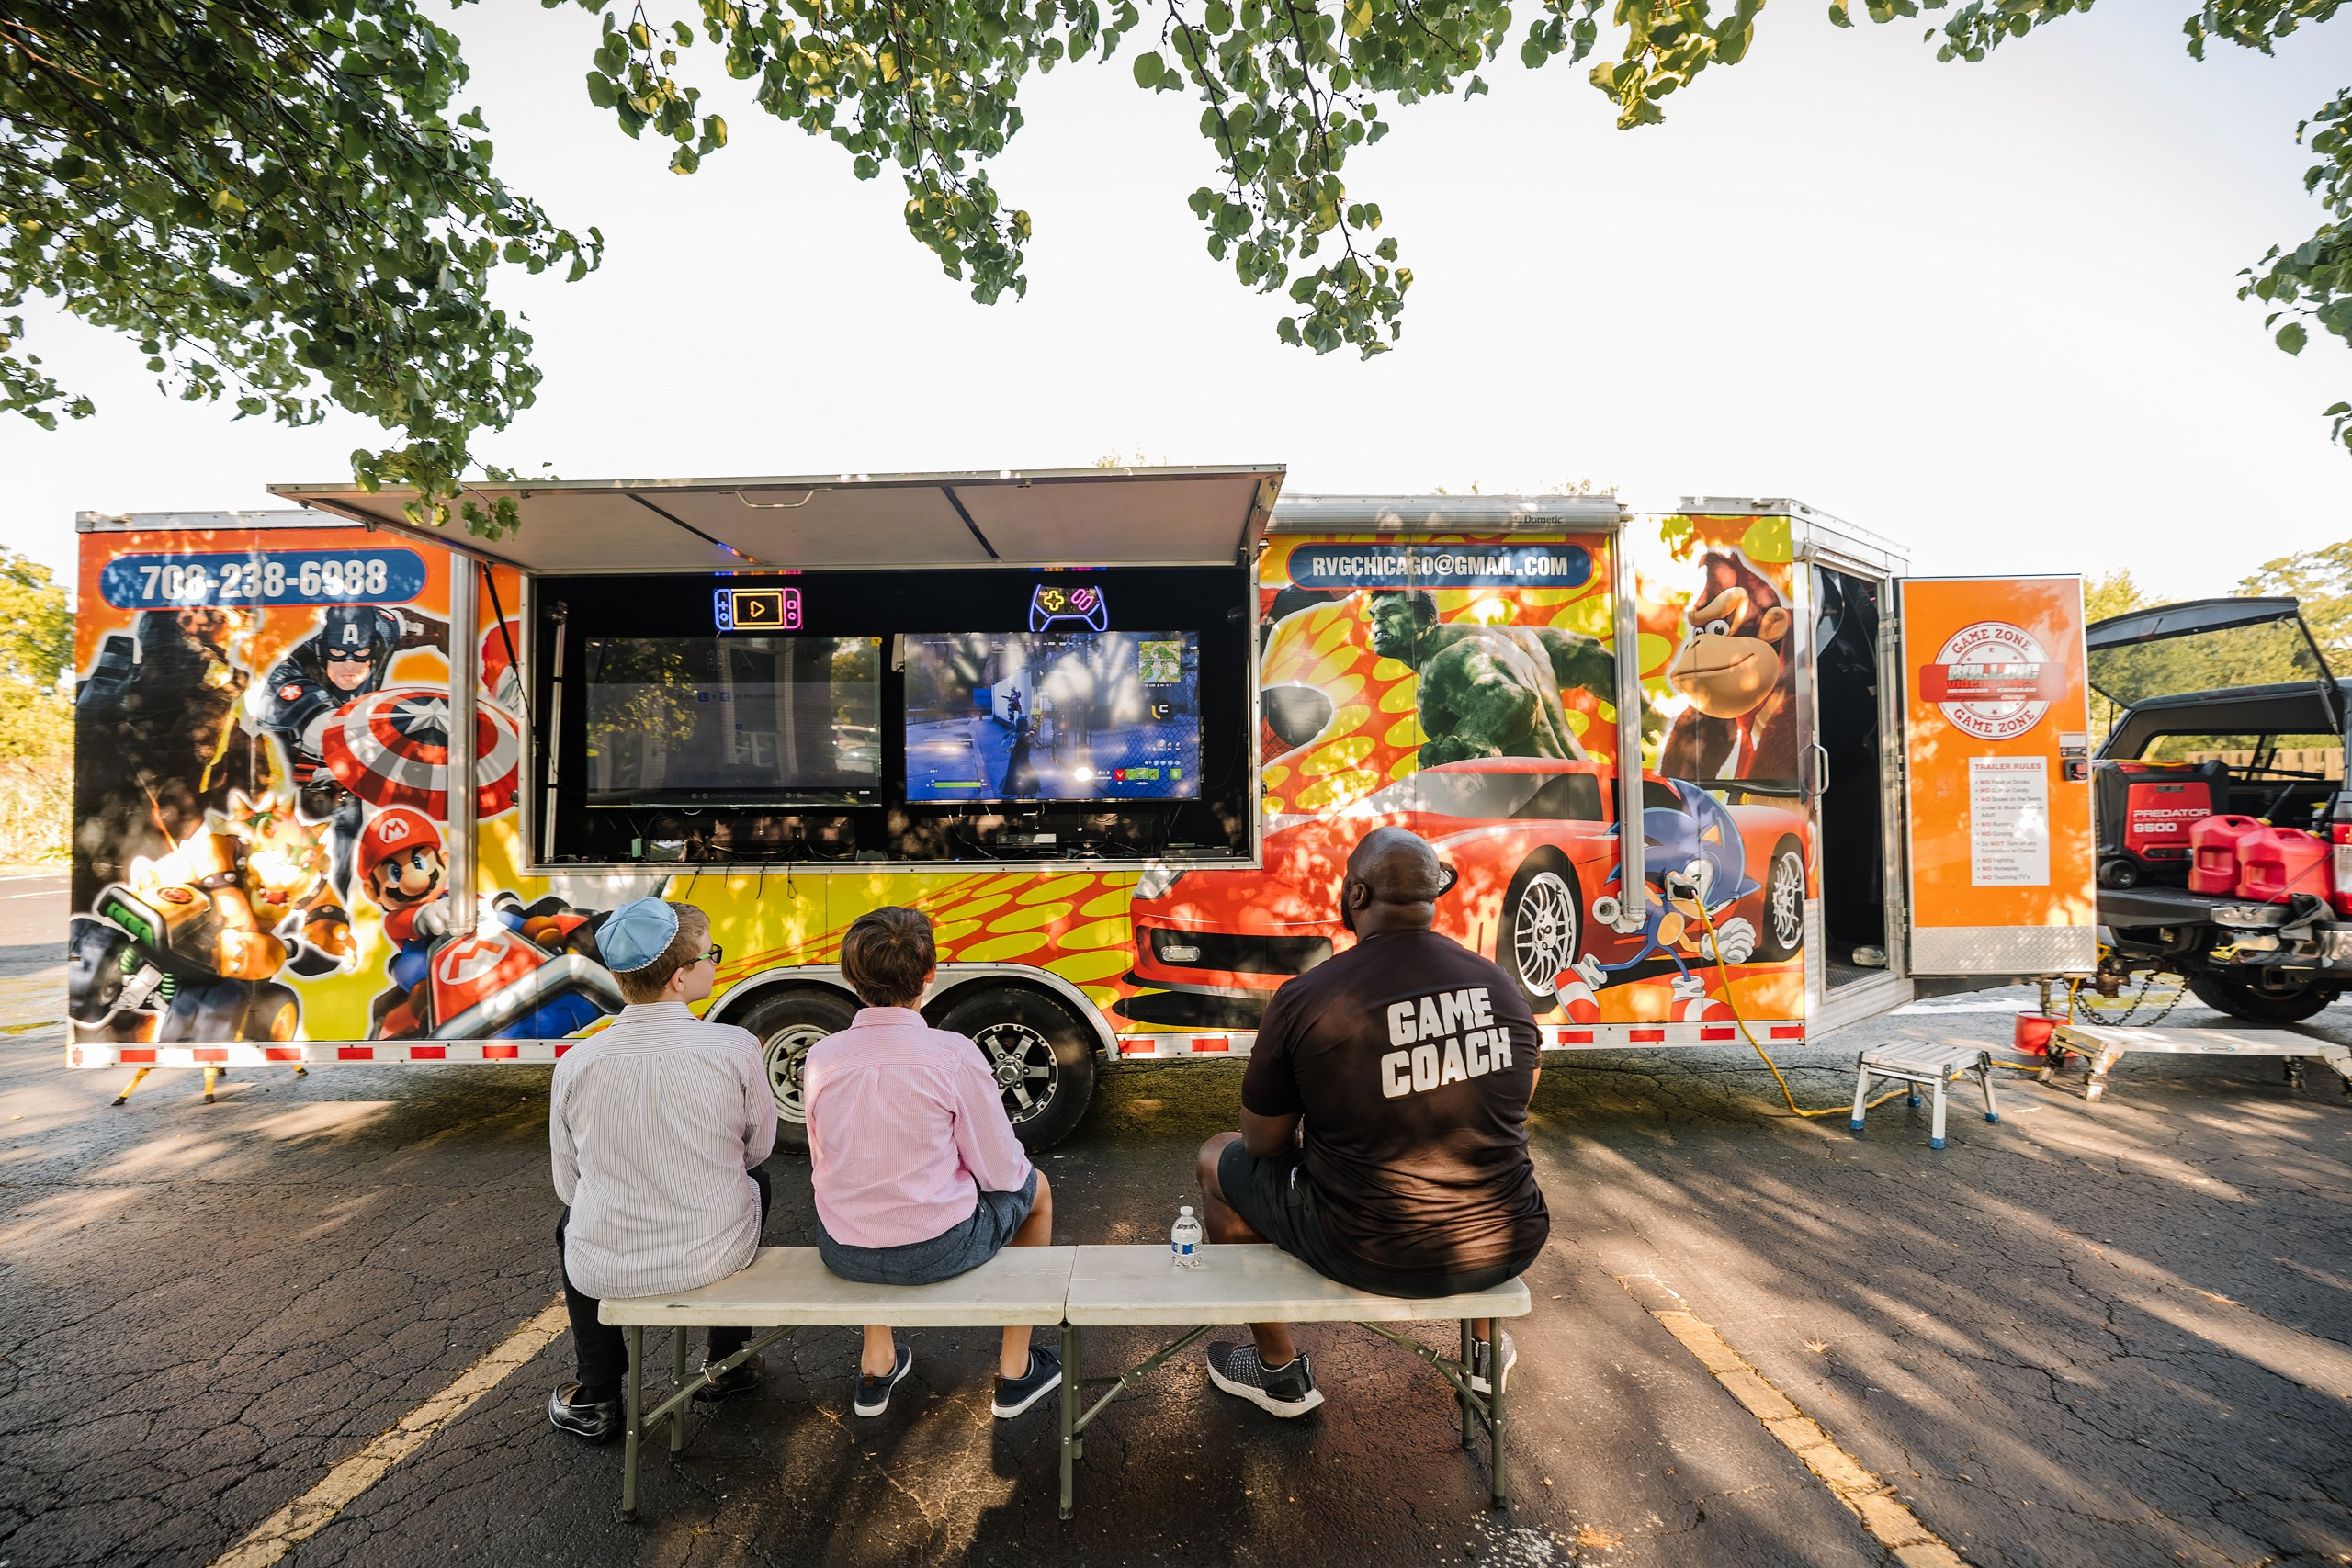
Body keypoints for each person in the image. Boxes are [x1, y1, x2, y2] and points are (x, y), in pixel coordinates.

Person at [1194, 826, 1550, 1417]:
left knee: (1216, 1157)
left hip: (1369, 1251)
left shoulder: (1306, 997)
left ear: (1357, 895)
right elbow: (1513, 1104)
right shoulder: (1501, 986)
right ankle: (1485, 1355)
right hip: (1511, 1241)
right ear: (1432, 895)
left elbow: (1262, 1142)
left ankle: (1279, 1372)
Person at [804, 907, 1061, 1420]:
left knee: (865, 1195)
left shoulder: (823, 1056)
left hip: (844, 1250)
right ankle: (1016, 1369)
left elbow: (828, 1160)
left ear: (851, 978)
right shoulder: (952, 1053)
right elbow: (1001, 1172)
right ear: (929, 975)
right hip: (938, 1249)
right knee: (1037, 1189)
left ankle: (877, 1363)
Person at [547, 898, 776, 1442]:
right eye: (710, 954)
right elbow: (758, 1150)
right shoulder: (735, 1047)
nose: (715, 963)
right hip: (714, 1252)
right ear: (679, 977)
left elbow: (568, 1185)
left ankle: (598, 1395)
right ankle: (727, 1363)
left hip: (605, 1266)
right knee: (758, 1183)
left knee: (571, 1223)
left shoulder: (577, 1062)